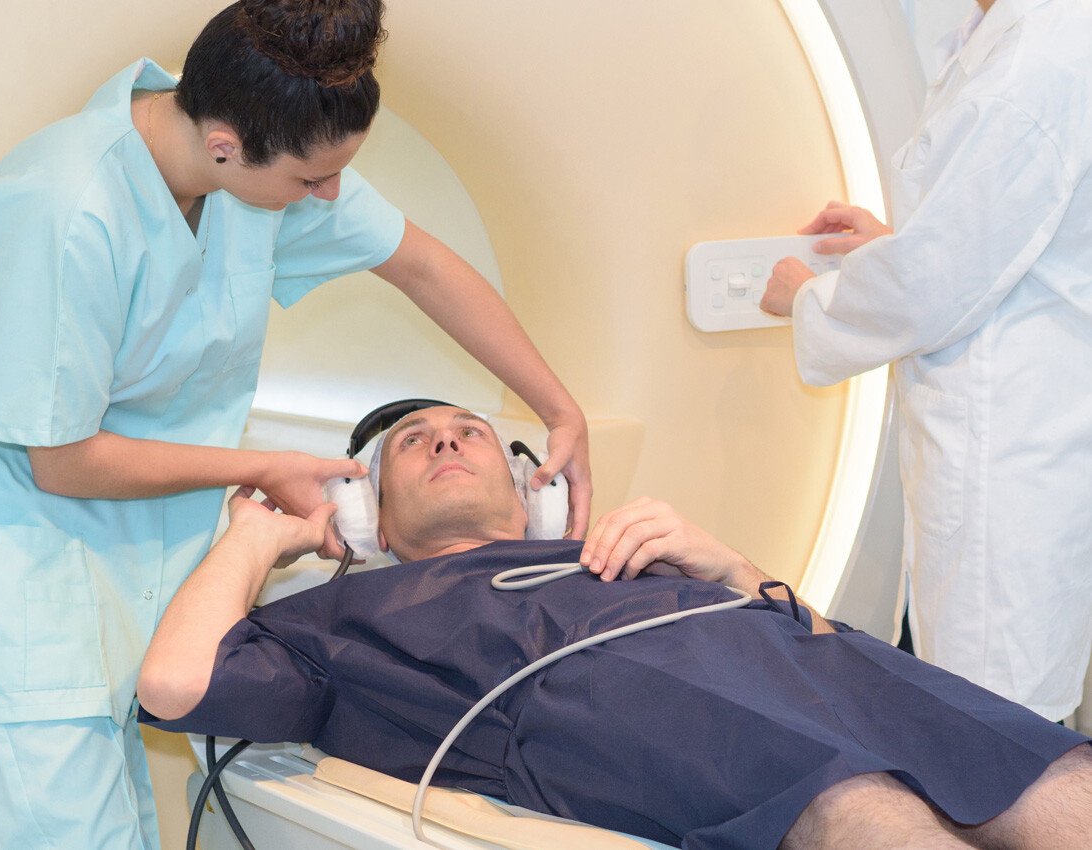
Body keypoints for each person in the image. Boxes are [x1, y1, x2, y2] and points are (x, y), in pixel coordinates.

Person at [0, 3, 591, 847]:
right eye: (312, 182)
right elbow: (59, 459)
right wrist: (268, 469)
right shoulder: (66, 209)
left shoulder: (254, 158)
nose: (330, 196)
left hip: (117, 586)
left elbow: (417, 260)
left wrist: (559, 407)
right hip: (7, 596)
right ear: (224, 146)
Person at [140, 404, 1092, 850]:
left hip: (804, 663)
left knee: (1047, 769)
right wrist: (255, 540)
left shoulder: (624, 552)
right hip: (629, 716)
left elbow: (811, 639)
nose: (446, 440)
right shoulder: (342, 619)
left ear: (535, 497)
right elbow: (175, 687)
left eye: (470, 431)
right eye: (413, 444)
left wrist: (730, 567)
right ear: (368, 524)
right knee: (859, 804)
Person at [759, 0, 1092, 720]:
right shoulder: (1014, 36)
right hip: (1011, 418)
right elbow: (999, 230)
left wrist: (811, 297)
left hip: (1008, 446)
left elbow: (935, 285)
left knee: (996, 720)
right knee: (996, 704)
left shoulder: (1039, 59)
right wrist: (894, 238)